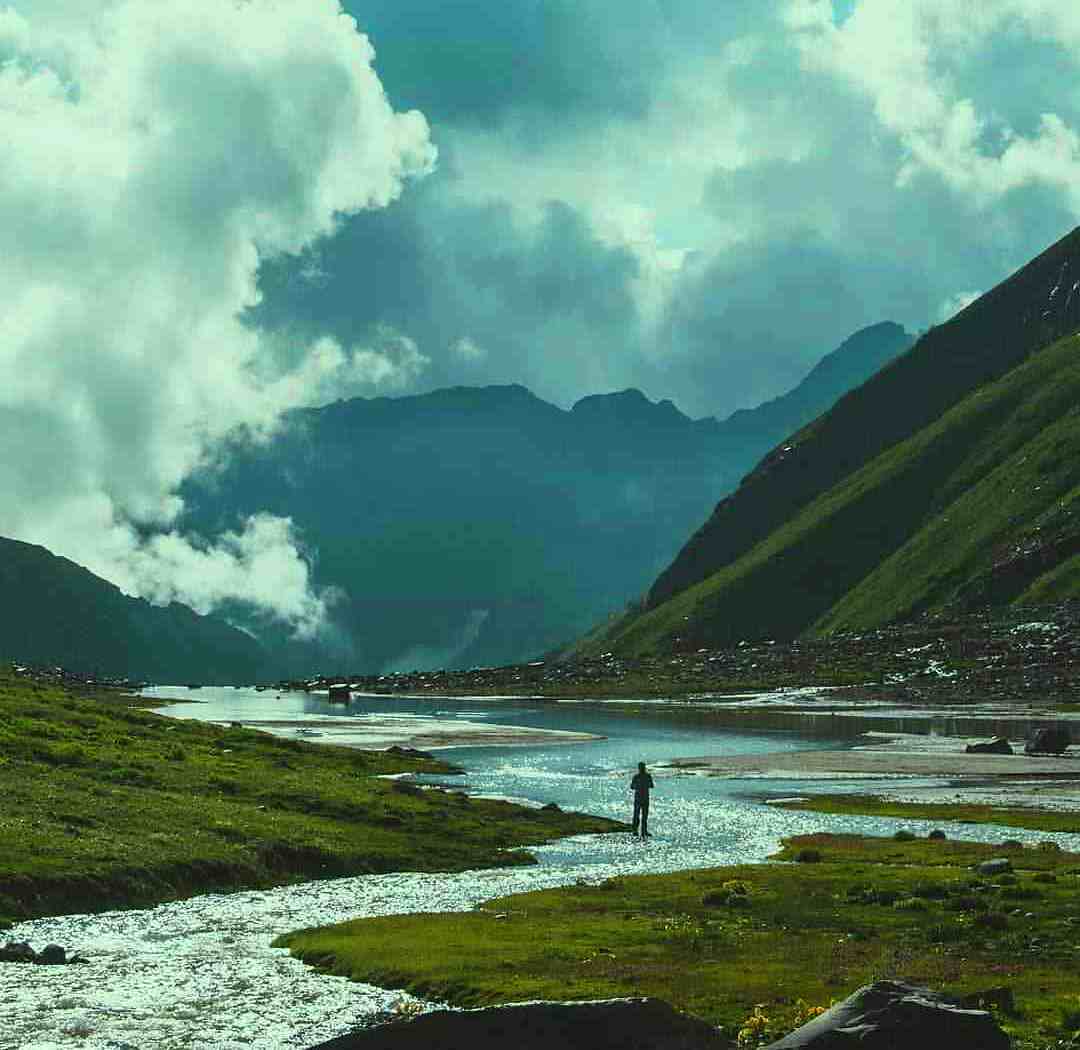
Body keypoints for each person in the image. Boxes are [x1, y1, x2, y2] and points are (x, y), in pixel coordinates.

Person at [630, 761, 654, 838]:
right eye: (642, 767)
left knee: (641, 815)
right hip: (642, 798)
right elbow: (651, 785)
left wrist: (639, 786)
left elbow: (632, 787)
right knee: (640, 815)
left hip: (641, 798)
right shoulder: (644, 776)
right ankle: (639, 831)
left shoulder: (639, 776)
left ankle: (640, 831)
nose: (642, 769)